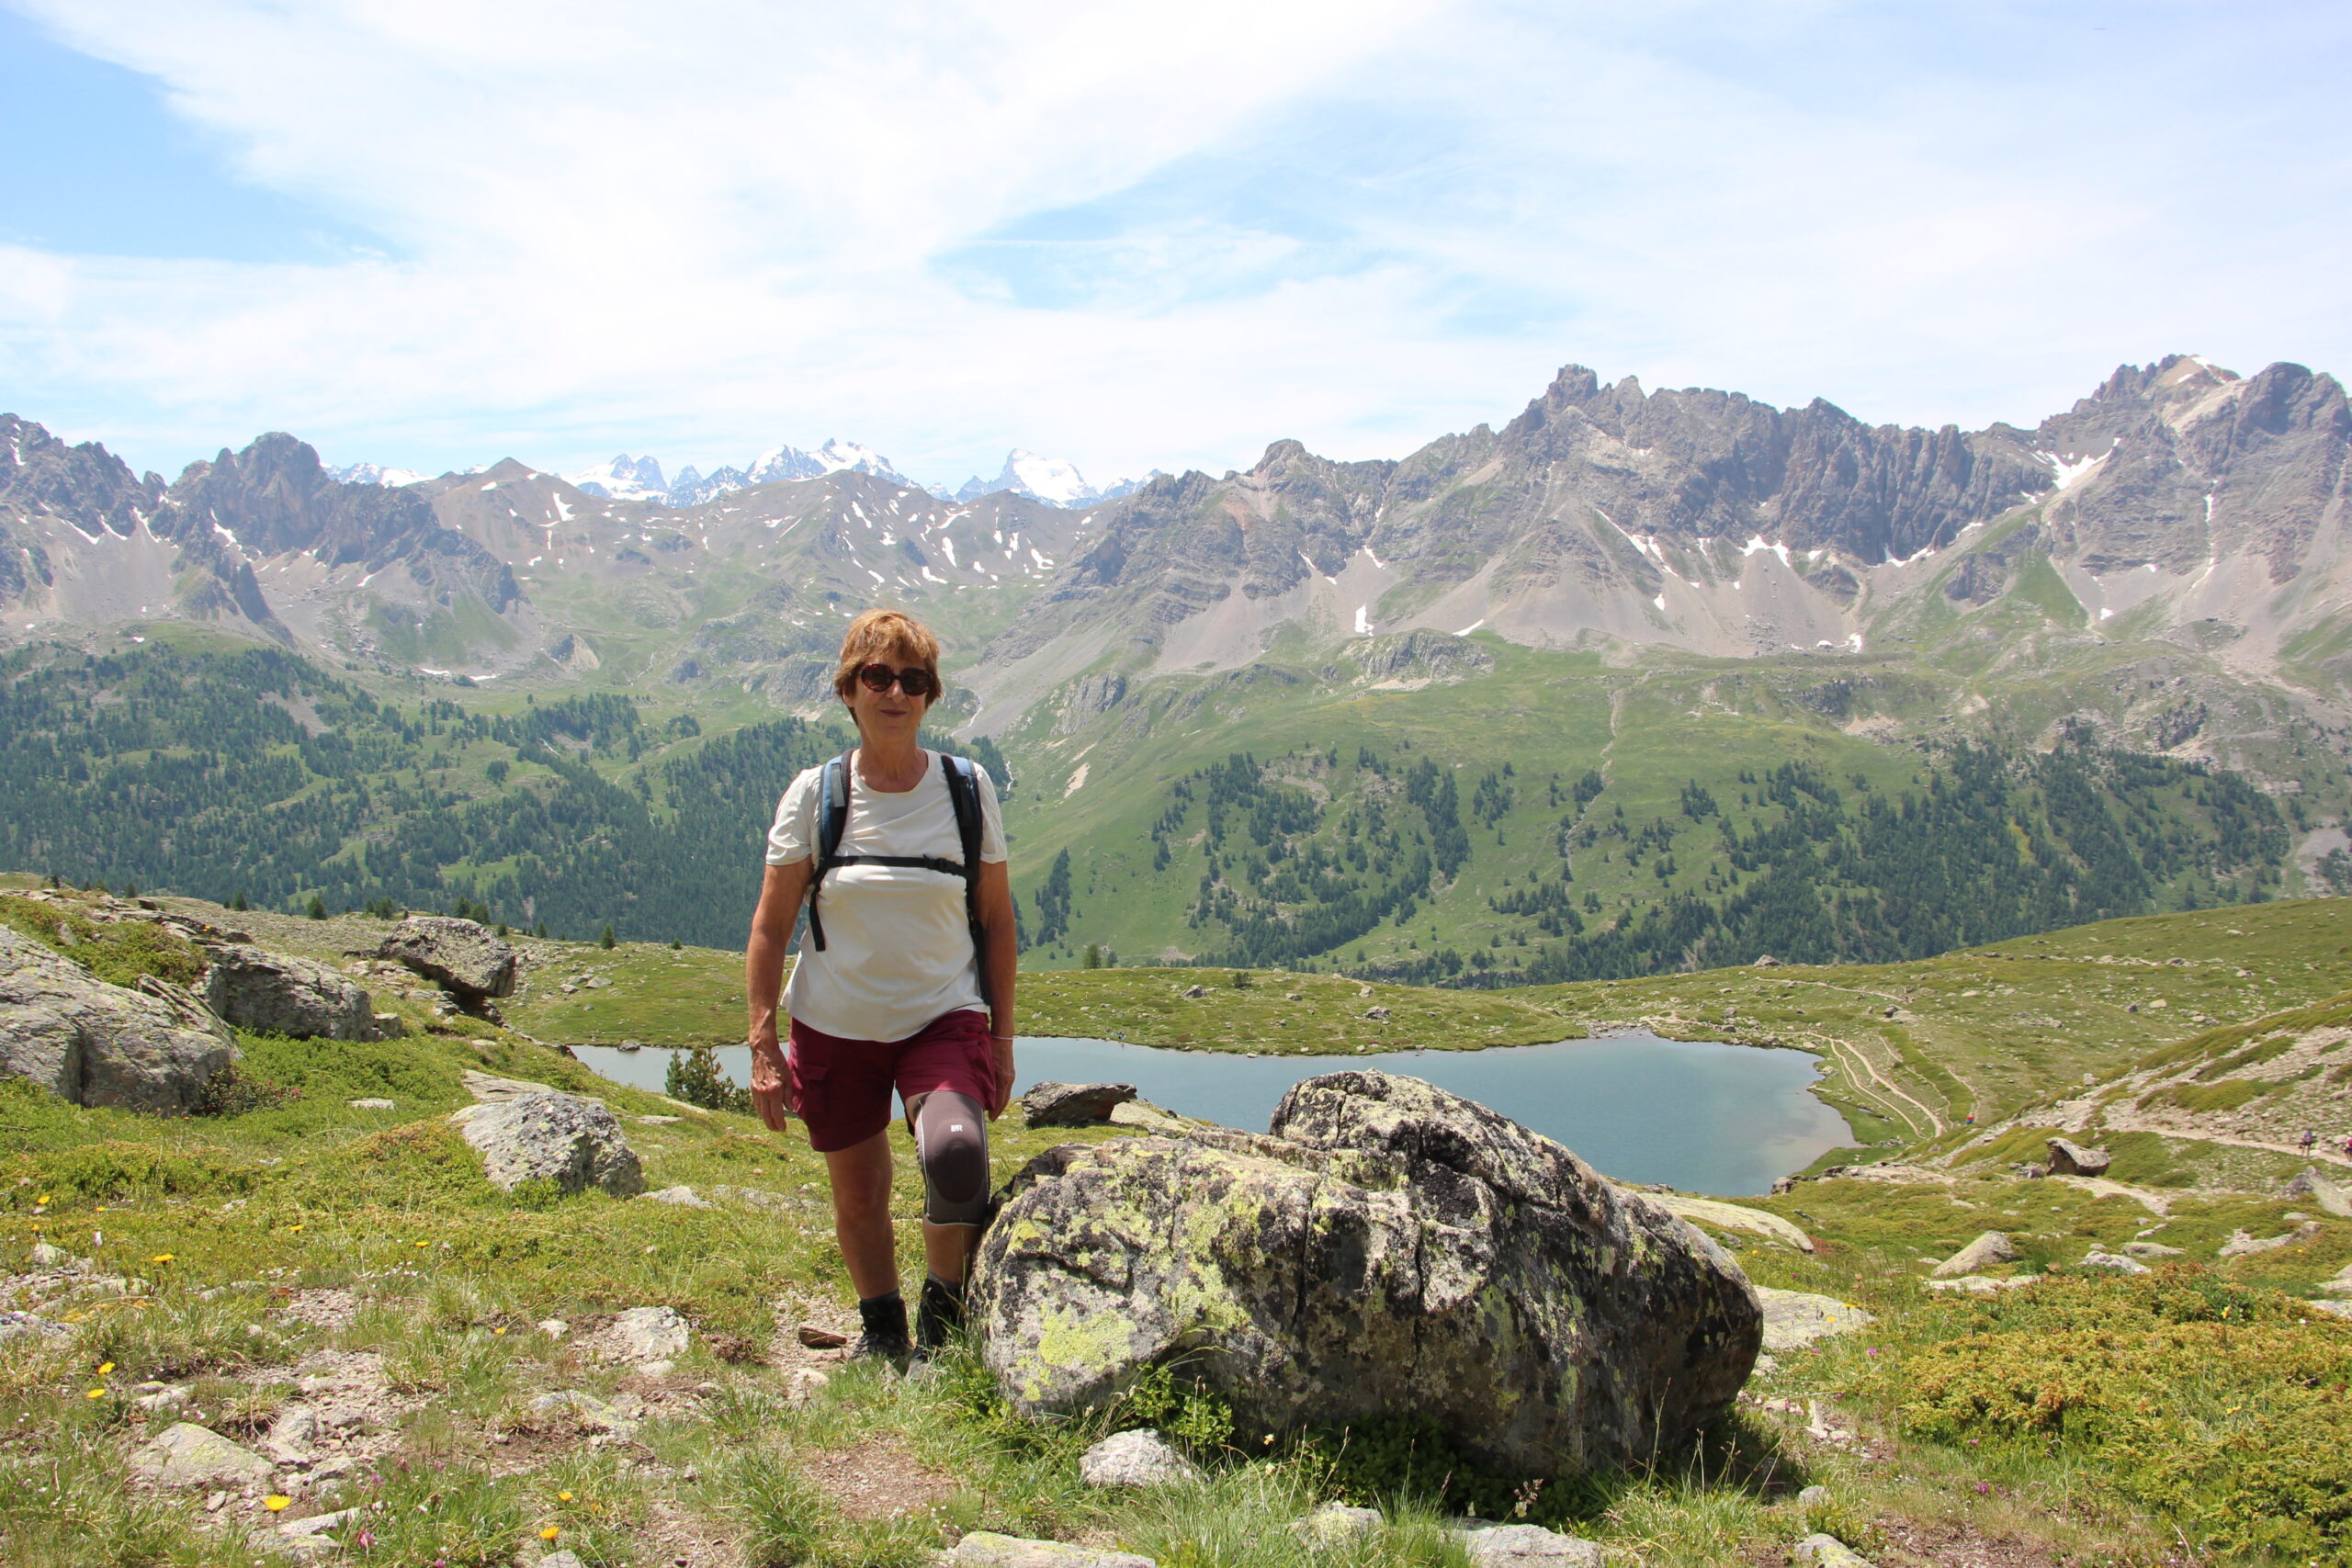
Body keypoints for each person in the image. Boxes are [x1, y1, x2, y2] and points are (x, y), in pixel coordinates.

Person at [744, 610, 1018, 1365]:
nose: (896, 693)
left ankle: (943, 1320)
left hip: (943, 1015)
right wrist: (763, 1043)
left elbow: (997, 919)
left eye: (913, 680)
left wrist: (1001, 1038)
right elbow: (770, 925)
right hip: (835, 1023)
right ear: (848, 690)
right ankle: (883, 1331)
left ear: (930, 695)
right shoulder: (817, 794)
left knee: (957, 1154)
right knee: (860, 1191)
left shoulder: (966, 788)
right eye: (877, 676)